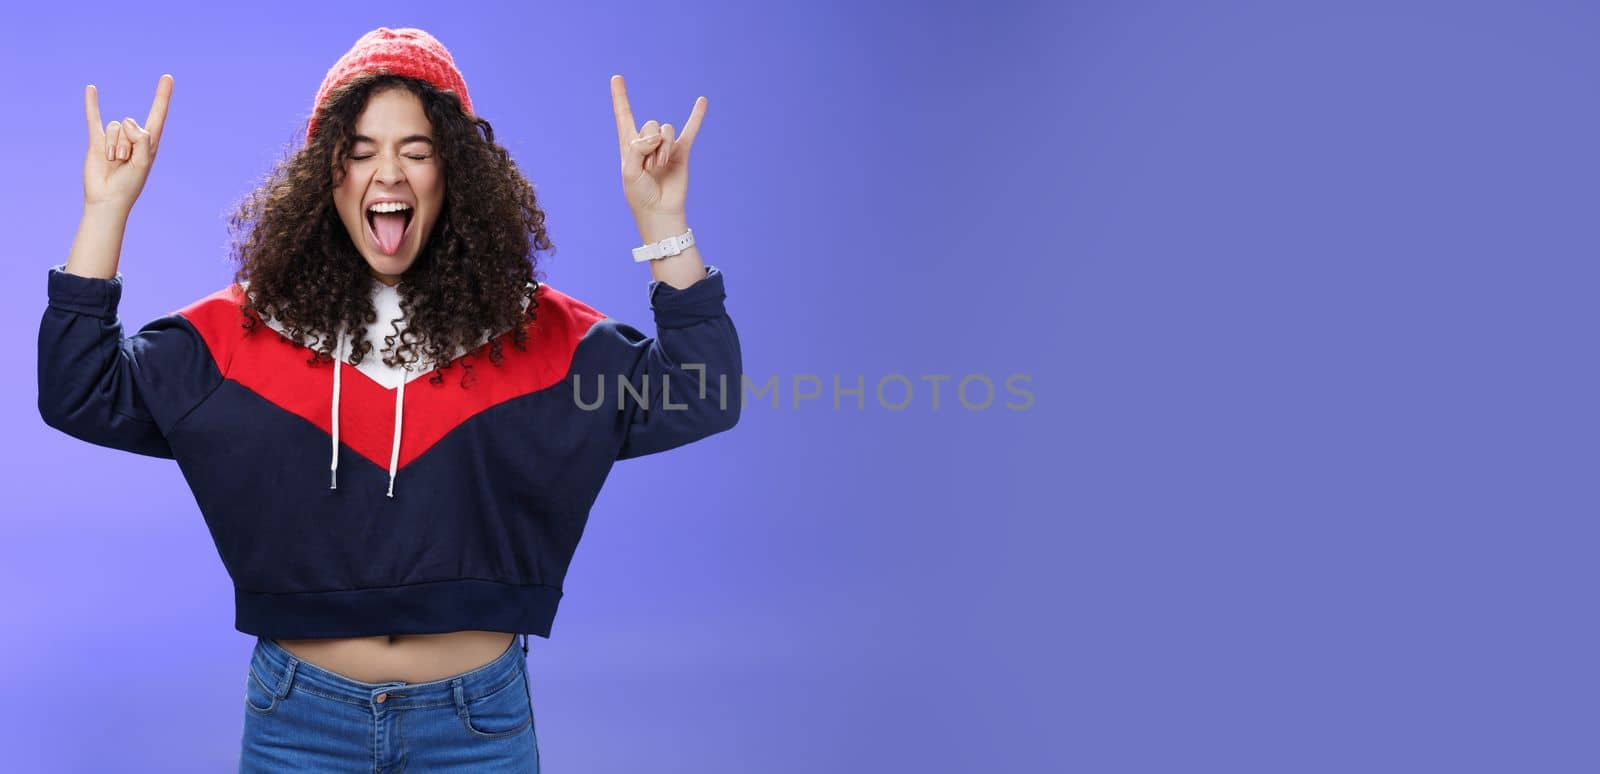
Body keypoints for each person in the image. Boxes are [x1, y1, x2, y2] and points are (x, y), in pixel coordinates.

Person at [38, 27, 741, 772]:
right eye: (362, 150)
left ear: (456, 174)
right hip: (297, 725)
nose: (389, 174)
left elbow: (704, 391)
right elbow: (78, 389)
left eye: (417, 150)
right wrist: (105, 210)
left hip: (476, 729)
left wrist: (663, 222)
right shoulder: (239, 337)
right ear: (325, 176)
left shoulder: (540, 337)